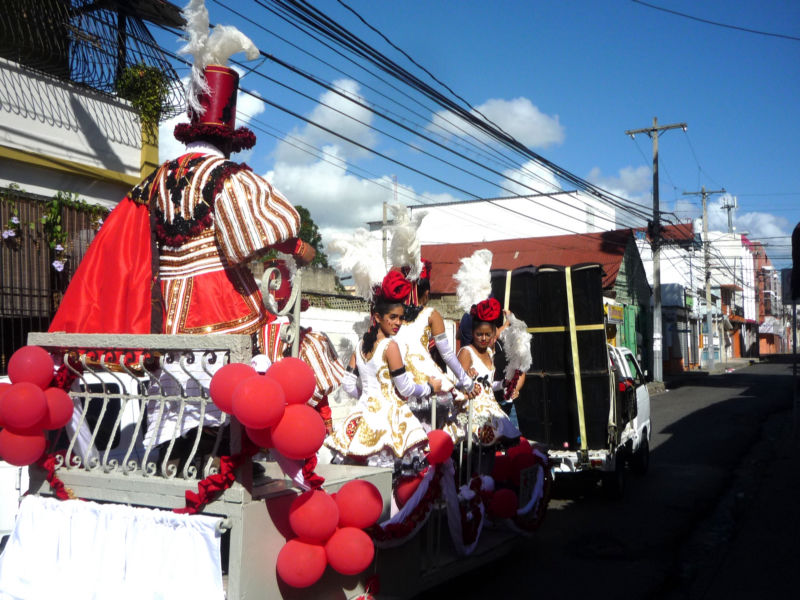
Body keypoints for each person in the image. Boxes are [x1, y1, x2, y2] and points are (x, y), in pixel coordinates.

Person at [325, 273, 441, 482]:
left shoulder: (361, 345)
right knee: (391, 480)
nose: (398, 323)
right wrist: (430, 387)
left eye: (401, 317)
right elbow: (405, 389)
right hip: (389, 418)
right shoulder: (390, 346)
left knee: (361, 478)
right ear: (377, 317)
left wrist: (366, 397)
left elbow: (348, 384)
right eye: (393, 318)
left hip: (362, 415)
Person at [394, 261, 476, 443]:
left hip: (395, 382)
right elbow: (446, 354)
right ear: (426, 293)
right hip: (426, 383)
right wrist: (465, 380)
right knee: (428, 440)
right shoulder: (431, 314)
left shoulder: (391, 317)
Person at [457, 298, 522, 447]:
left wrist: (503, 384)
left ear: (493, 334)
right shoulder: (466, 352)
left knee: (501, 443)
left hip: (490, 407)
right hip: (471, 410)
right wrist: (468, 379)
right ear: (473, 333)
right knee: (482, 446)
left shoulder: (488, 353)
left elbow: (489, 385)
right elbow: (456, 386)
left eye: (487, 335)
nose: (483, 338)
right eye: (479, 334)